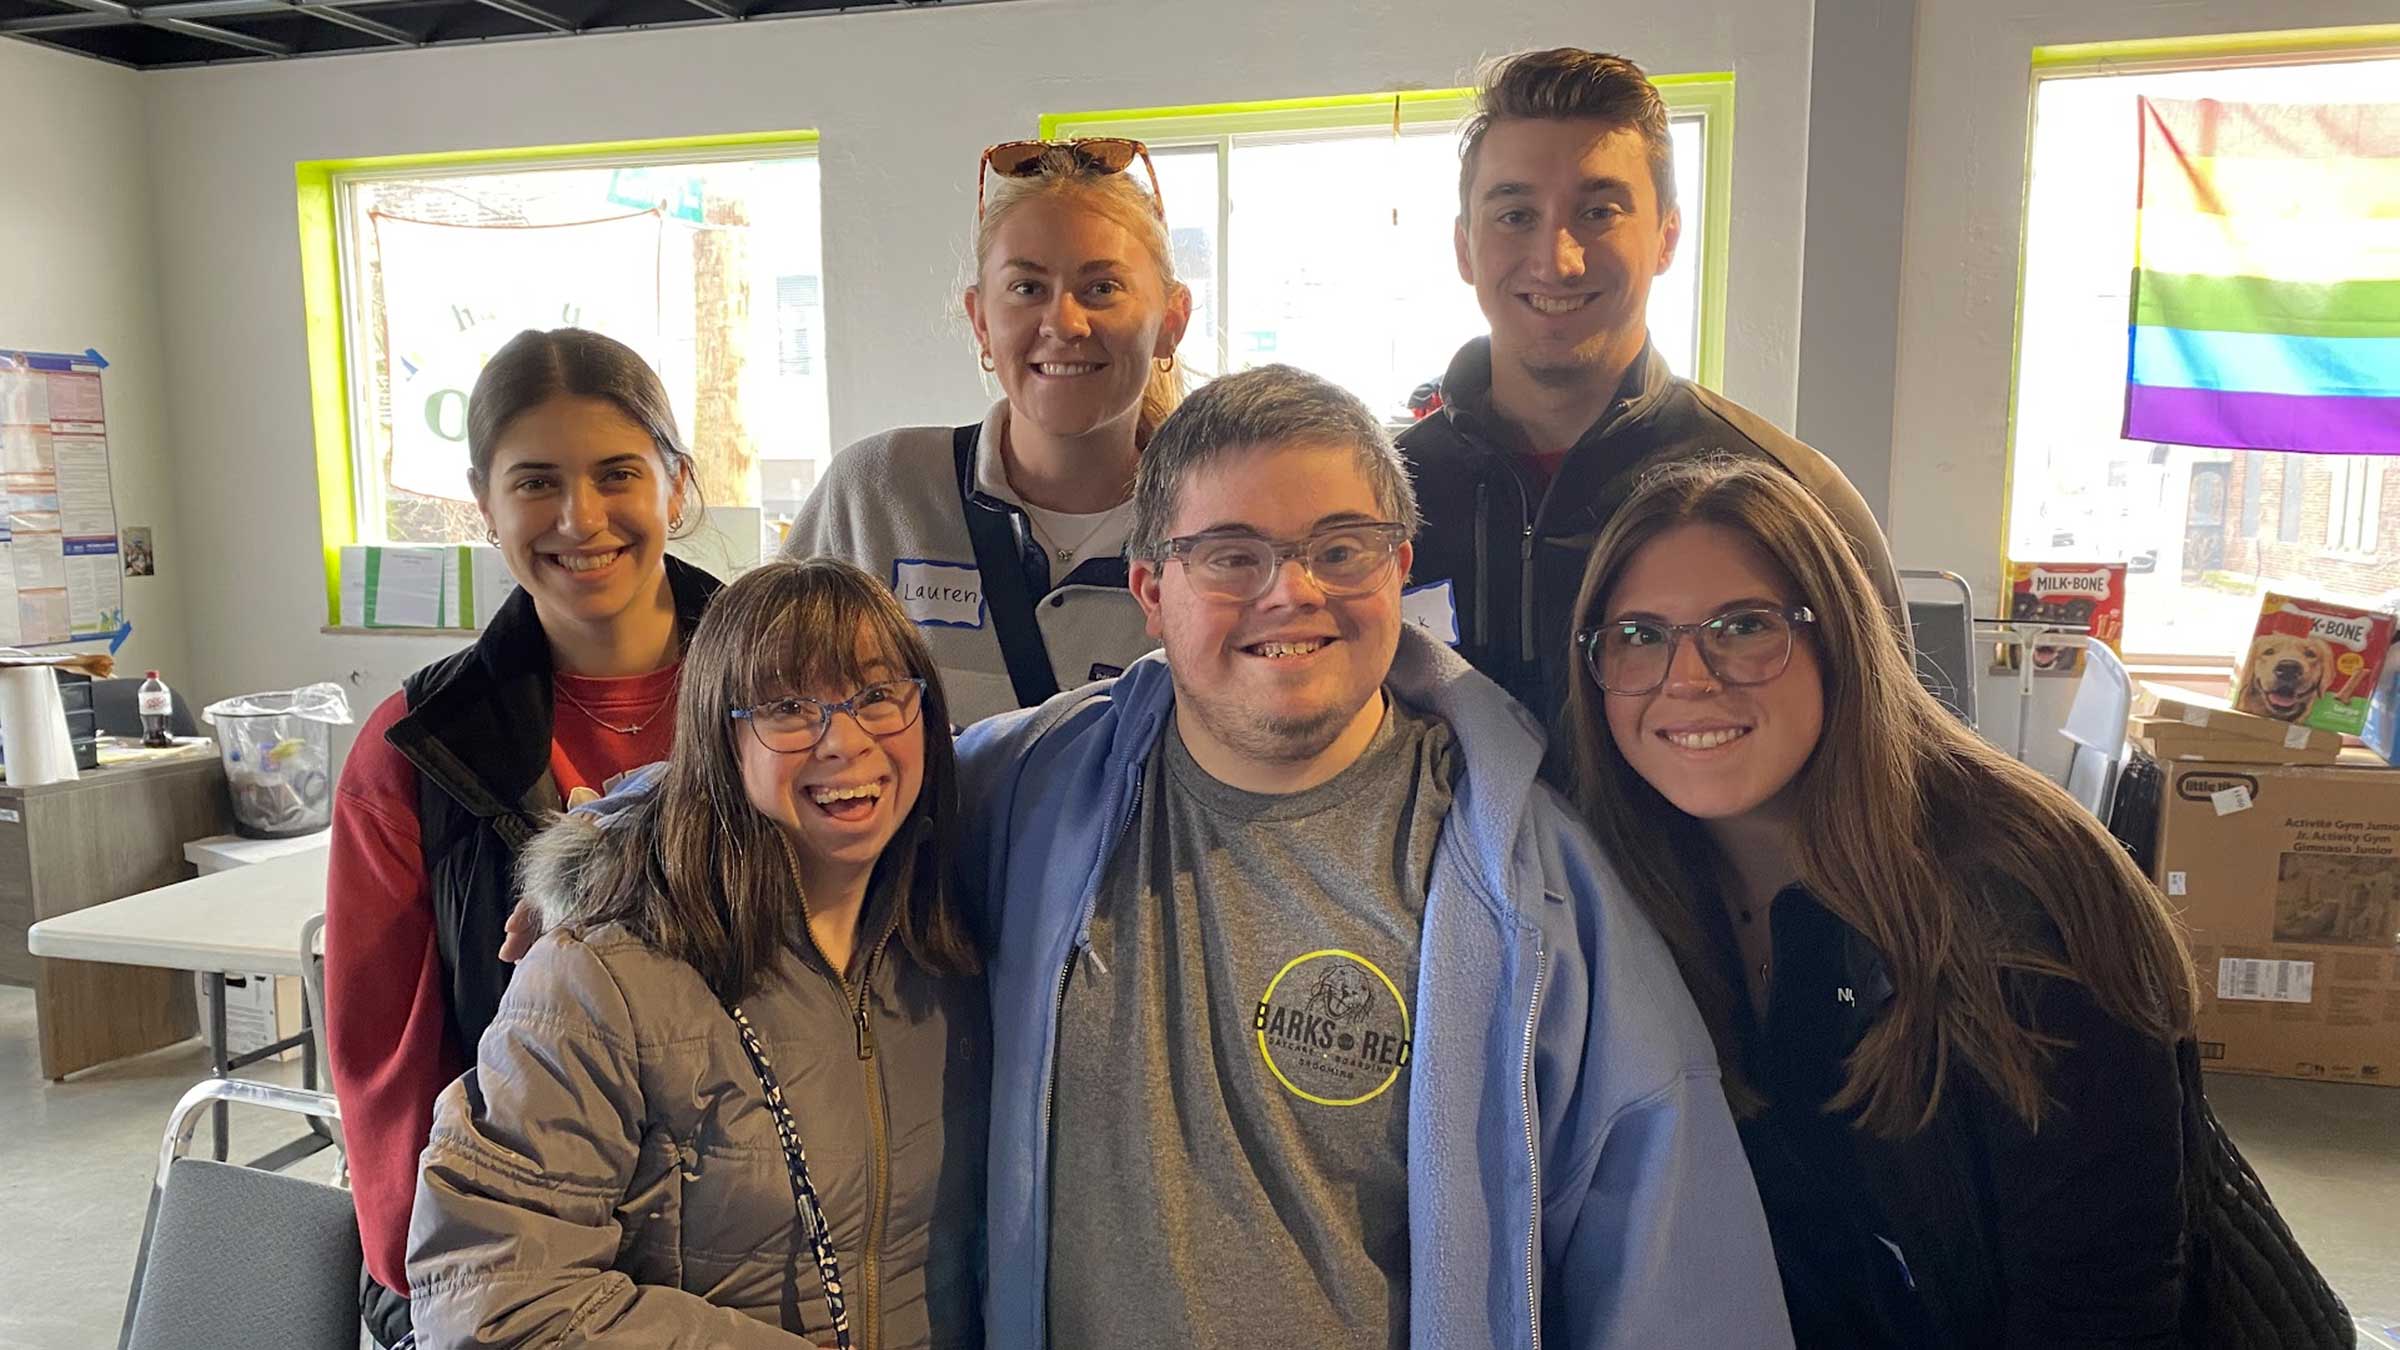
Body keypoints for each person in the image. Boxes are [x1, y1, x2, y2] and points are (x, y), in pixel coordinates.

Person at [958, 364, 1791, 1349]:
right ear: (1151, 588)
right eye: (1231, 557)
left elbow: (1675, 1266)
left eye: (1340, 548)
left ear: (1399, 569)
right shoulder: (1020, 793)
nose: (1292, 593)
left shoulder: (1528, 887)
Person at [1563, 455, 2212, 1344]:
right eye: (1638, 635)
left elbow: (2102, 1305)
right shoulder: (1613, 884)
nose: (1687, 677)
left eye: (1744, 626)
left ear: (1839, 638)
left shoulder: (2027, 897)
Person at [408, 559, 986, 1349]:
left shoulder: (962, 939)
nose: (844, 742)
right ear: (722, 736)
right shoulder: (601, 978)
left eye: (880, 696)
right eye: (787, 708)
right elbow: (493, 1300)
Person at [324, 328, 720, 1347]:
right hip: (532, 1241)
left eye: (617, 474)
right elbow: (388, 1047)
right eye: (536, 482)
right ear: (484, 501)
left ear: (677, 483)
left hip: (757, 1226)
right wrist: (415, 1275)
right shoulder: (418, 746)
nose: (579, 518)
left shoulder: (785, 690)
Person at [1399, 48, 1903, 730]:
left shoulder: (1792, 495)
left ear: (1667, 238)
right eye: (1516, 215)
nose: (1558, 259)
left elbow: (1892, 761)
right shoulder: (1387, 503)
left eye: (1600, 211)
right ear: (1465, 248)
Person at [782, 137, 1192, 724]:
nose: (1064, 322)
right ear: (980, 320)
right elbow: (759, 706)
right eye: (1027, 288)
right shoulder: (875, 496)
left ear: (1171, 322)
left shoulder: (1214, 531)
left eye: (1102, 288)